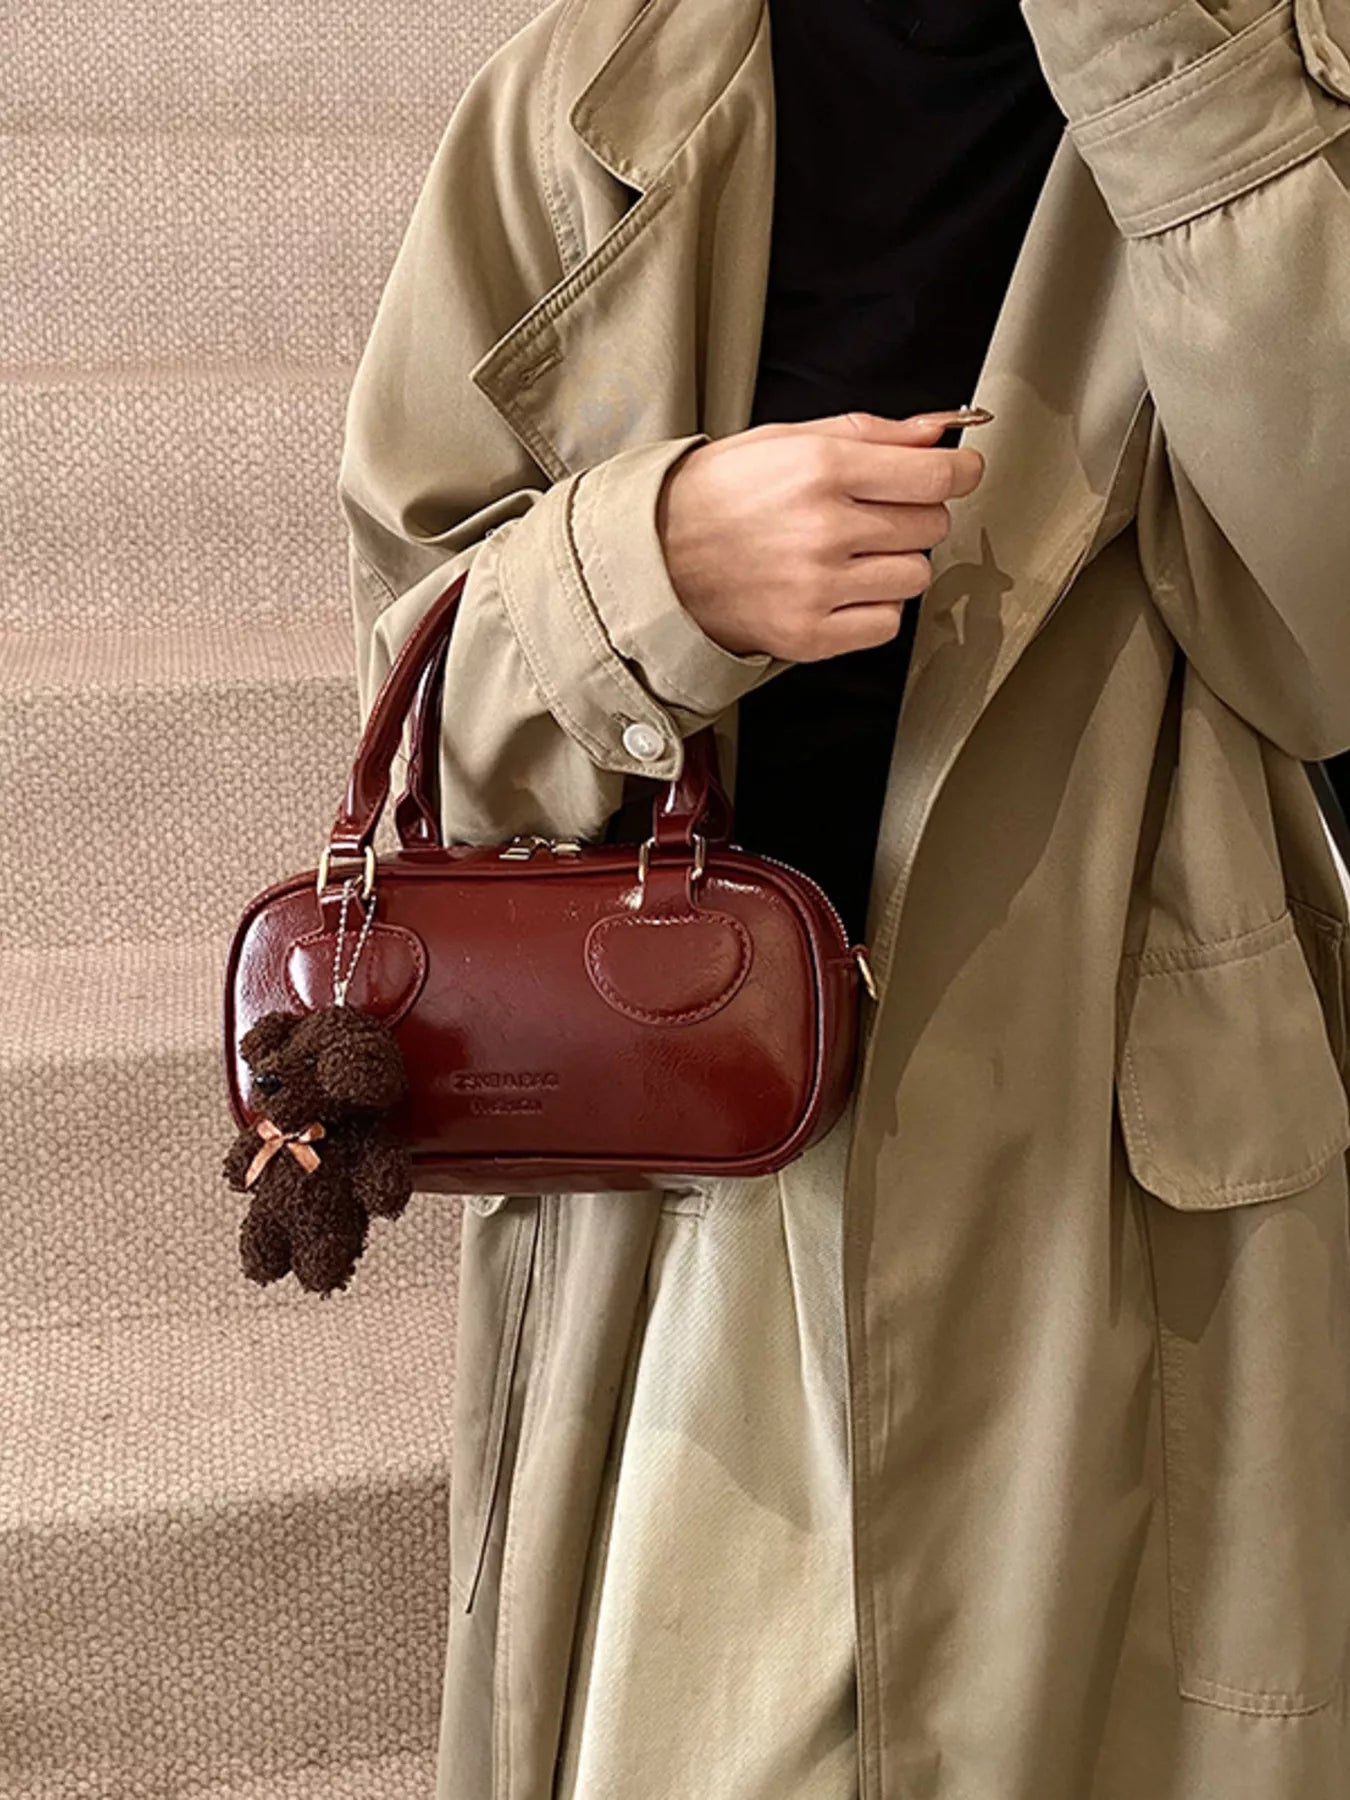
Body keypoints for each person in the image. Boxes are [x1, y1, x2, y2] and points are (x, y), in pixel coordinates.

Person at [336, 1, 1350, 1795]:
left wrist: (1172, 77)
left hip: (1119, 1190)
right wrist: (648, 564)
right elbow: (417, 704)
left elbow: (1327, 642)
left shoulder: (1275, 76)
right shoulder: (579, 101)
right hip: (689, 1181)